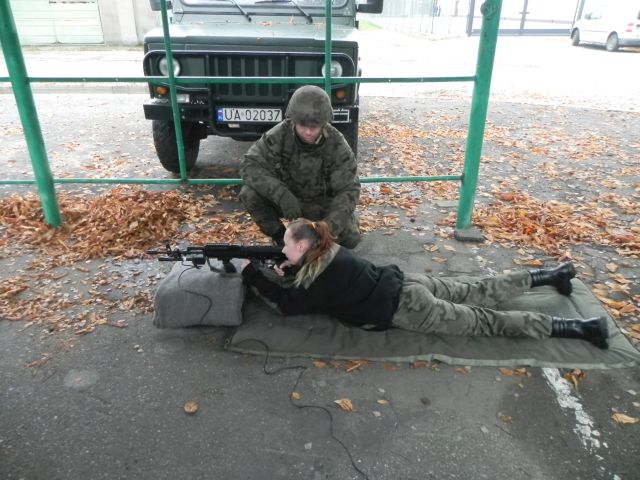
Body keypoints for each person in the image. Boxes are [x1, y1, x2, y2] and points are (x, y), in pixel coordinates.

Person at [241, 218, 609, 349]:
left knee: (485, 321)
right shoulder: (329, 249)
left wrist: (249, 272)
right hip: (408, 282)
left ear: (302, 246)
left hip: (409, 307)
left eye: (286, 245)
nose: (282, 249)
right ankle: (553, 275)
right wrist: (289, 269)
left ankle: (579, 328)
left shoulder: (319, 278)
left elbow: (287, 305)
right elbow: (313, 278)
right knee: (478, 288)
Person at [239, 85, 361, 248]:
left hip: (321, 205)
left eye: (314, 127)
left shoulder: (336, 143)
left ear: (323, 124)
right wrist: (281, 194)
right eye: (303, 126)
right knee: (249, 194)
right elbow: (249, 166)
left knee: (350, 239)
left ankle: (320, 239)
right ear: (293, 121)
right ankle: (281, 239)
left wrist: (327, 228)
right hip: (289, 200)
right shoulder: (279, 135)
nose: (308, 132)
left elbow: (349, 189)